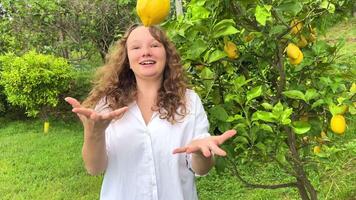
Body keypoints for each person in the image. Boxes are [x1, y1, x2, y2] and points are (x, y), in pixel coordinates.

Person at [65, 24, 236, 200]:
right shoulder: (108, 103)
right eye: (136, 47)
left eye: (154, 45)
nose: (146, 52)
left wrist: (201, 154)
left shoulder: (189, 101)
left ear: (166, 55)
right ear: (127, 59)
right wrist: (95, 133)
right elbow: (95, 168)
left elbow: (201, 168)